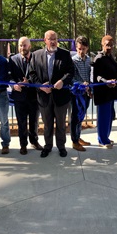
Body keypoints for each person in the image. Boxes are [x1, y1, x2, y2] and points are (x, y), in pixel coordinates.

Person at [29, 30, 74, 158]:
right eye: (50, 39)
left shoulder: (65, 54)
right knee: (47, 124)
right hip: (44, 97)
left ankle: (61, 147)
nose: (53, 41)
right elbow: (32, 74)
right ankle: (47, 147)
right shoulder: (36, 55)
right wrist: (40, 86)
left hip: (61, 96)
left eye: (55, 38)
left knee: (60, 124)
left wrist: (62, 81)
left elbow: (71, 72)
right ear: (45, 40)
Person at [9, 37, 43, 155]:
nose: (22, 48)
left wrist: (29, 82)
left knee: (34, 121)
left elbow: (39, 75)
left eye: (25, 45)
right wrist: (14, 85)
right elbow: (10, 77)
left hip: (33, 96)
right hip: (19, 97)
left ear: (30, 46)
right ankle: (23, 145)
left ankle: (34, 141)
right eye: (20, 45)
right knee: (21, 122)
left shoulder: (37, 58)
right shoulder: (13, 59)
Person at [92, 35, 117, 149]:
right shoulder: (99, 58)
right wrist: (106, 81)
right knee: (103, 117)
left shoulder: (110, 57)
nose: (109, 47)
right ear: (102, 44)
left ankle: (106, 137)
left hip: (111, 93)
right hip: (103, 93)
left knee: (109, 117)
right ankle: (102, 140)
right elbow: (97, 76)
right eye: (106, 44)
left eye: (111, 44)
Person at [70, 36, 92, 152]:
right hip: (77, 93)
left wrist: (90, 88)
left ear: (87, 48)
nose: (81, 51)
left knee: (81, 116)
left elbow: (90, 75)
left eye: (83, 49)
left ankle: (78, 137)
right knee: (76, 116)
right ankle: (74, 141)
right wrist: (80, 84)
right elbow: (71, 78)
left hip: (86, 93)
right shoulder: (73, 61)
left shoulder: (89, 60)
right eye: (79, 49)